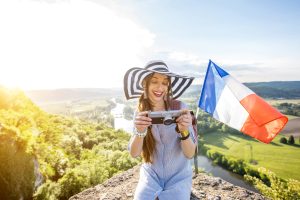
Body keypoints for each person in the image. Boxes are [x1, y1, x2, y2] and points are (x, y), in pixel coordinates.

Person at [123, 60, 197, 200]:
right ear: (145, 84)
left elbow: (189, 154)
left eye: (164, 82)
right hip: (151, 176)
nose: (160, 87)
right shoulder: (140, 113)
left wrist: (184, 130)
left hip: (179, 177)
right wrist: (140, 131)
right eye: (154, 81)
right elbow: (134, 153)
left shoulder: (180, 107)